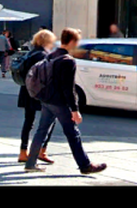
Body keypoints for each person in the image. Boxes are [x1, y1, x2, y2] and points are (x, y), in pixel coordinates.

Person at [25, 28, 107, 175]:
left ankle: (30, 163)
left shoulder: (52, 55)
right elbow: (68, 89)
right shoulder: (67, 61)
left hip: (46, 99)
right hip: (59, 102)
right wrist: (75, 110)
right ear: (72, 41)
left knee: (41, 130)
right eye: (77, 41)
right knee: (72, 133)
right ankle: (85, 165)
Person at [17, 30, 56, 165]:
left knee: (28, 121)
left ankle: (23, 152)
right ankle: (41, 150)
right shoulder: (43, 55)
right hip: (39, 92)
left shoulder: (30, 53)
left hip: (26, 90)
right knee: (50, 119)